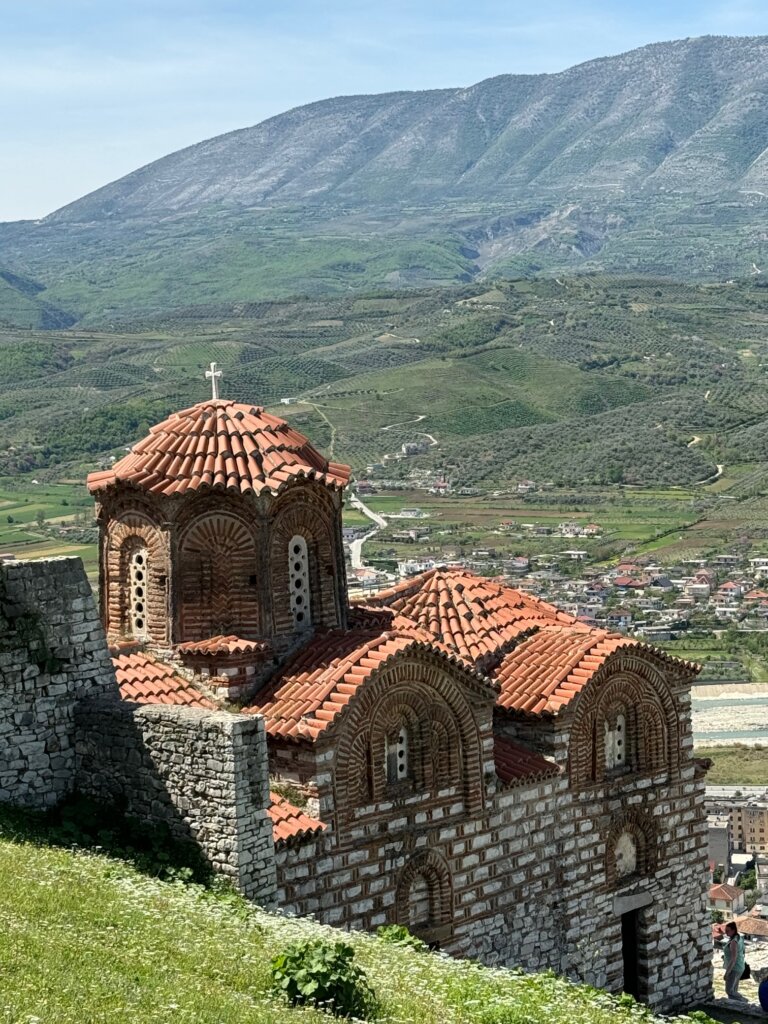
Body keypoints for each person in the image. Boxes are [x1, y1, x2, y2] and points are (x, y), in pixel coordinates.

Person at [723, 921, 748, 1002]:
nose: (726, 932)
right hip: (740, 966)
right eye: (725, 930)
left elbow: (733, 958)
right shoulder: (739, 937)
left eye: (728, 931)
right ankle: (735, 1003)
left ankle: (743, 1000)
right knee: (734, 988)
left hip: (734, 968)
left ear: (733, 930)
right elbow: (742, 951)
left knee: (729, 990)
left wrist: (727, 973)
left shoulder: (733, 942)